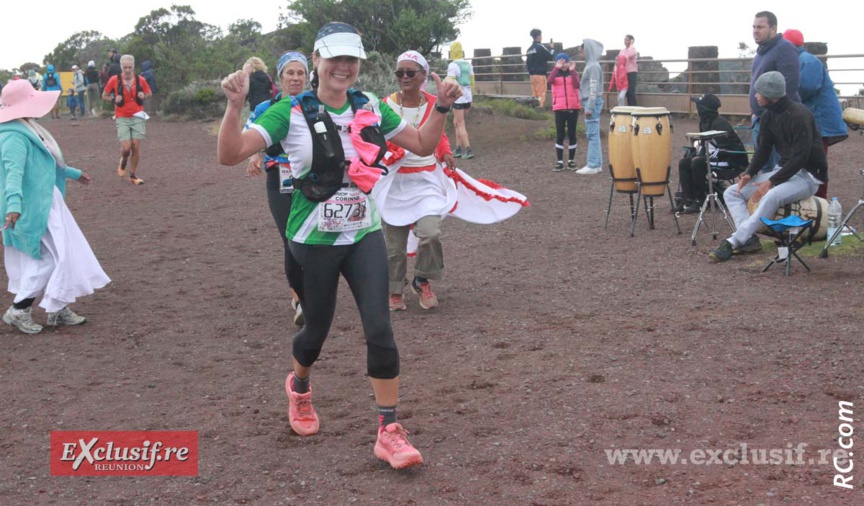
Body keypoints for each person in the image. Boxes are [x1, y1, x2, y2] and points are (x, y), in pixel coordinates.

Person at [217, 22, 464, 469]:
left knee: (380, 328)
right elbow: (230, 153)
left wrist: (443, 104)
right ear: (317, 61)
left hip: (363, 233)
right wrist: (234, 108)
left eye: (352, 59)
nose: (344, 67)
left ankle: (388, 429)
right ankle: (300, 385)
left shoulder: (369, 106)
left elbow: (425, 144)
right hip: (313, 240)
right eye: (335, 58)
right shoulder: (289, 111)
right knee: (316, 331)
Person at [0, 79, 109, 334]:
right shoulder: (13, 135)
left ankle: (57, 308)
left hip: (46, 202)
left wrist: (72, 173)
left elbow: (43, 163)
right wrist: (14, 205)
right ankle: (19, 309)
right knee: (48, 257)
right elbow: (12, 173)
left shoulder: (26, 126)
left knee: (65, 253)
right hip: (33, 207)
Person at [710, 72, 826, 262]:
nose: (755, 96)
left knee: (771, 195)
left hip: (809, 176)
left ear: (770, 95)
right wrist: (749, 173)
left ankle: (735, 241)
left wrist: (772, 182)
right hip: (784, 171)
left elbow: (801, 157)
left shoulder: (799, 115)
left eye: (759, 92)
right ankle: (749, 239)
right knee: (732, 192)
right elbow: (762, 151)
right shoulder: (768, 116)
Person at [379, 51, 456, 311]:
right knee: (394, 246)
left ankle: (422, 278)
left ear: (423, 75)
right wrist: (388, 153)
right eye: (399, 72)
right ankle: (394, 289)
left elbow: (438, 132)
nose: (404, 77)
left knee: (431, 233)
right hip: (395, 183)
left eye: (410, 72)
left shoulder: (436, 102)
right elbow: (374, 140)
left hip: (425, 180)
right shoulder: (384, 105)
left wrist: (444, 152)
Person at [244, 51, 309, 326]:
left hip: (311, 180)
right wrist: (254, 156)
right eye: (290, 73)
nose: (295, 78)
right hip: (279, 180)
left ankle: (312, 291)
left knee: (311, 238)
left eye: (300, 73)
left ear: (307, 77)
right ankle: (300, 297)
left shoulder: (315, 105)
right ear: (280, 77)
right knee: (290, 239)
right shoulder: (265, 109)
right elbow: (250, 136)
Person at [782, 29, 848, 199]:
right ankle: (812, 197)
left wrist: (782, 101)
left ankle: (819, 200)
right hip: (814, 120)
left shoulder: (807, 61)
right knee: (809, 160)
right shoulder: (802, 60)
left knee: (816, 162)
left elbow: (805, 88)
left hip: (819, 121)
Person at [674, 93, 748, 214]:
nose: (696, 109)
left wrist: (703, 157)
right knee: (684, 162)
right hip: (718, 157)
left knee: (698, 162)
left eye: (698, 106)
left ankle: (700, 200)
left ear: (703, 109)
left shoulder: (719, 123)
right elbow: (705, 145)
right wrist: (697, 154)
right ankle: (688, 199)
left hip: (732, 161)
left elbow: (724, 149)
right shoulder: (704, 122)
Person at [749, 11, 800, 172]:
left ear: (773, 28)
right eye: (754, 27)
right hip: (760, 120)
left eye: (760, 27)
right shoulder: (760, 53)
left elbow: (789, 86)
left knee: (782, 170)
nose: (755, 30)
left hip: (779, 122)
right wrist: (755, 113)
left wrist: (773, 116)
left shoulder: (785, 49)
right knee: (763, 168)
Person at [102, 54, 152, 185]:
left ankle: (133, 175)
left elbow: (149, 92)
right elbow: (104, 95)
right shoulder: (114, 80)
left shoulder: (140, 80)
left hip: (138, 116)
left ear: (133, 67)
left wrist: (143, 95)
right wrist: (113, 99)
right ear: (121, 67)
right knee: (126, 147)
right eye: (125, 67)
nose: (128, 70)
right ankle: (123, 160)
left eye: (130, 67)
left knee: (136, 146)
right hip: (122, 116)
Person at [548, 53, 581, 171]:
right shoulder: (555, 73)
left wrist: (572, 71)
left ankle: (571, 160)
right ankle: (559, 161)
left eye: (565, 62)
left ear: (569, 62)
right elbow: (549, 80)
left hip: (573, 108)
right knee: (560, 135)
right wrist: (556, 68)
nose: (563, 65)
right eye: (560, 62)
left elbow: (577, 85)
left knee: (572, 134)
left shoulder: (573, 73)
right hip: (559, 108)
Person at [576, 39, 604, 175]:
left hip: (591, 102)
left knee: (592, 134)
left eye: (581, 51)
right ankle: (597, 163)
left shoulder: (592, 66)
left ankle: (592, 164)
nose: (580, 54)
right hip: (593, 101)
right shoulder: (593, 65)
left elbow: (593, 87)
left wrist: (589, 107)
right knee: (595, 134)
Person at [446, 41, 475, 159]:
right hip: (467, 96)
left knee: (460, 123)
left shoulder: (453, 65)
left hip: (458, 97)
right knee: (456, 122)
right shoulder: (468, 65)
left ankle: (468, 149)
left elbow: (450, 81)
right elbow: (472, 82)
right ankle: (457, 148)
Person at [526, 28, 554, 108]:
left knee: (534, 94)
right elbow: (550, 56)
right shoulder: (540, 47)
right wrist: (552, 48)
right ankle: (540, 110)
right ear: (538, 36)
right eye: (541, 35)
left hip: (532, 75)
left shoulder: (529, 49)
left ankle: (534, 109)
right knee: (541, 94)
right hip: (540, 74)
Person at [620, 35, 638, 106]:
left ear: (631, 41)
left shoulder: (633, 49)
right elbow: (620, 59)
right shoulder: (622, 50)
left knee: (631, 92)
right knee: (626, 92)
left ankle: (634, 107)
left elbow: (628, 55)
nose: (625, 41)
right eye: (624, 39)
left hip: (631, 72)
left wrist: (631, 45)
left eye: (627, 40)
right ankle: (629, 108)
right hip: (624, 72)